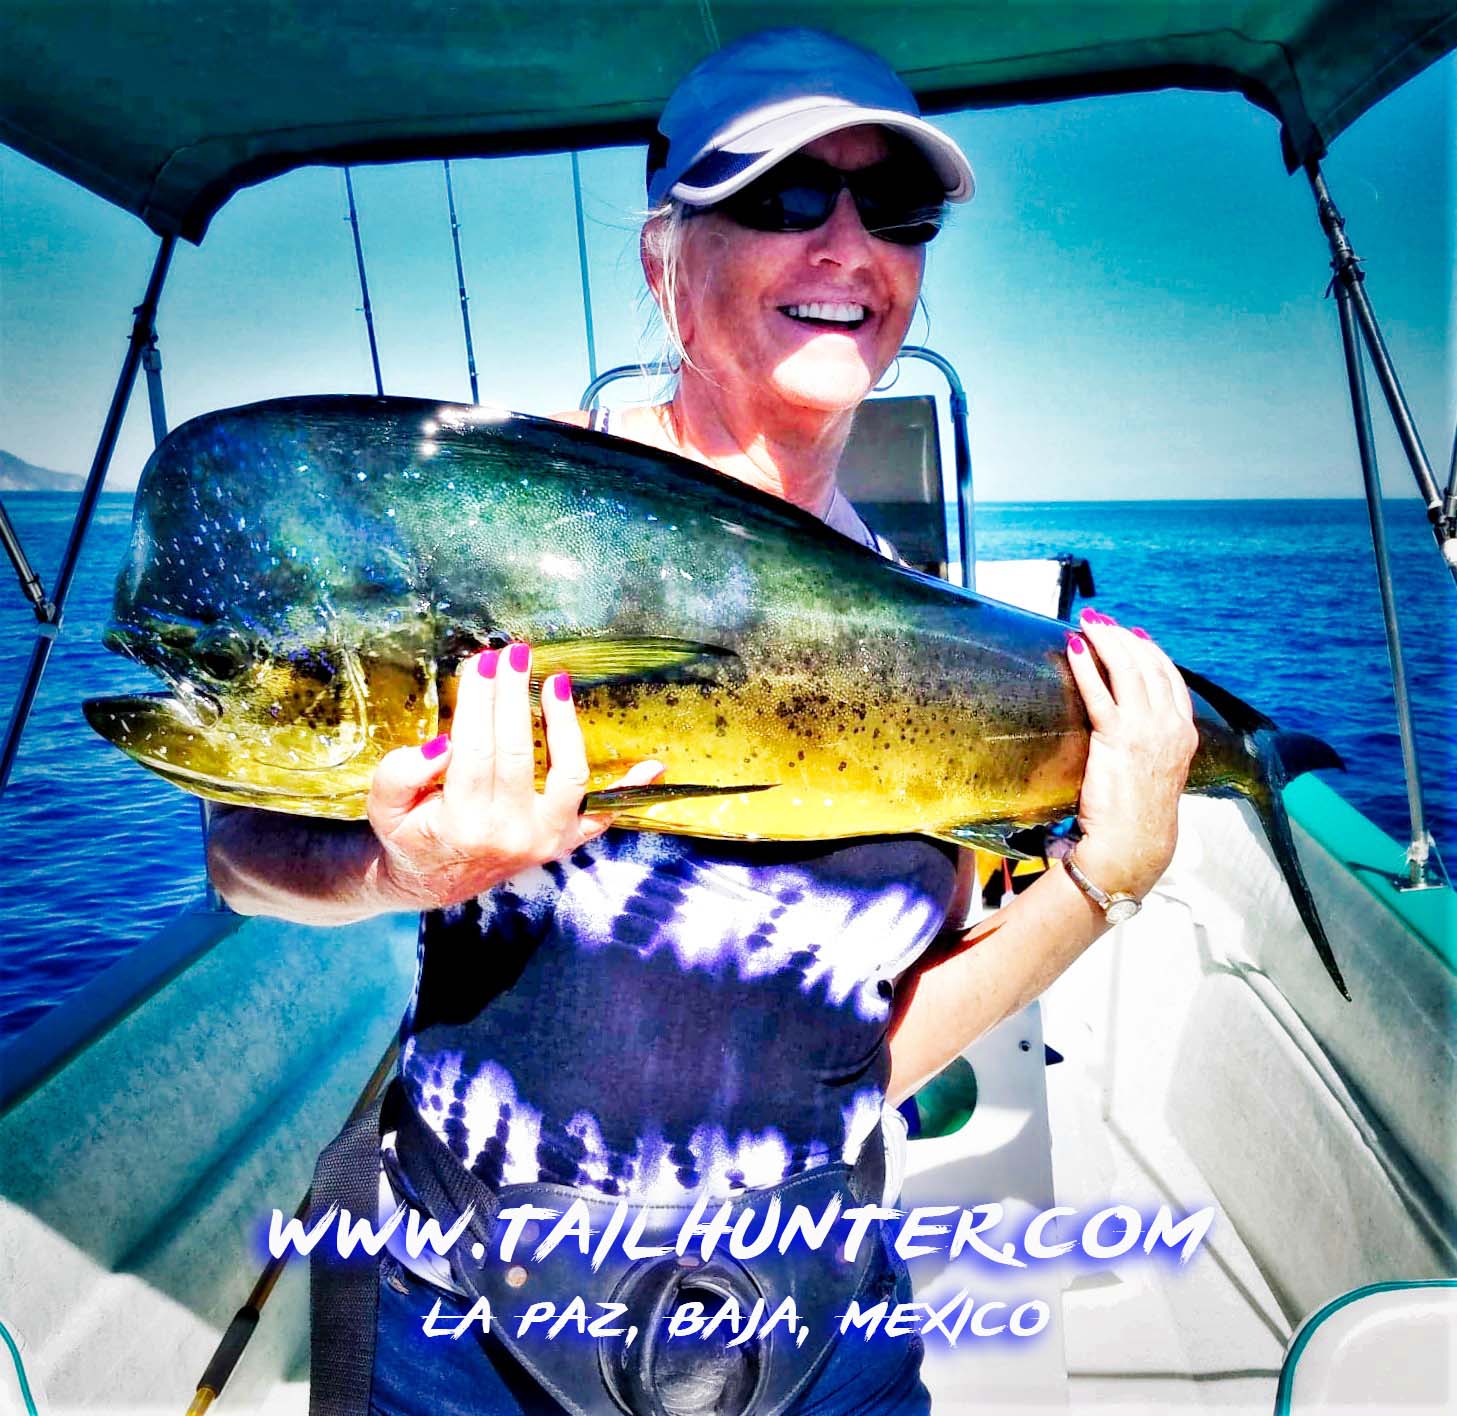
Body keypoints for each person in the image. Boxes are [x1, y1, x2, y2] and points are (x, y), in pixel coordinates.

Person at [207, 27, 1198, 1416]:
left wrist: (1109, 878)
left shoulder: (943, 654)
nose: (846, 243)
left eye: (892, 206)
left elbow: (866, 1055)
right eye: (783, 195)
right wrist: (398, 868)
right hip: (465, 1325)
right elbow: (240, 856)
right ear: (664, 261)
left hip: (815, 1329)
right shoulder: (512, 540)